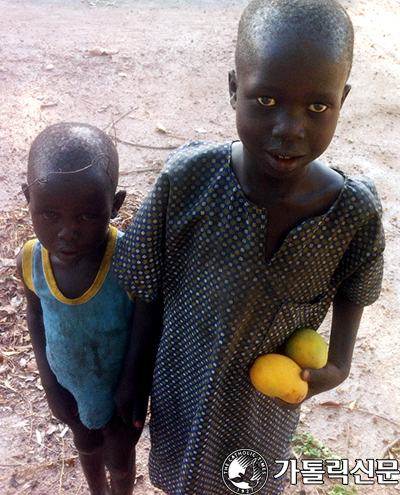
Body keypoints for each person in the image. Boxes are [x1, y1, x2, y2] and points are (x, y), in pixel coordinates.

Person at [112, 0, 385, 493]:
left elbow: (358, 284)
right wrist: (133, 376)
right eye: (266, 100)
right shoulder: (187, 180)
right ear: (235, 88)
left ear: (342, 100)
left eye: (318, 106)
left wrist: (339, 362)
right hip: (182, 387)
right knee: (179, 478)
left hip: (263, 409)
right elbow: (146, 286)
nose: (290, 127)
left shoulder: (352, 212)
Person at [16, 122, 155, 495]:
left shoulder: (129, 258)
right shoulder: (30, 260)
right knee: (86, 444)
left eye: (87, 216)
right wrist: (50, 382)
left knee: (118, 455)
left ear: (115, 204)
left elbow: (147, 318)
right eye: (49, 215)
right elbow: (35, 314)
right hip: (70, 385)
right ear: (27, 198)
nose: (67, 232)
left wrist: (132, 384)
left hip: (121, 390)